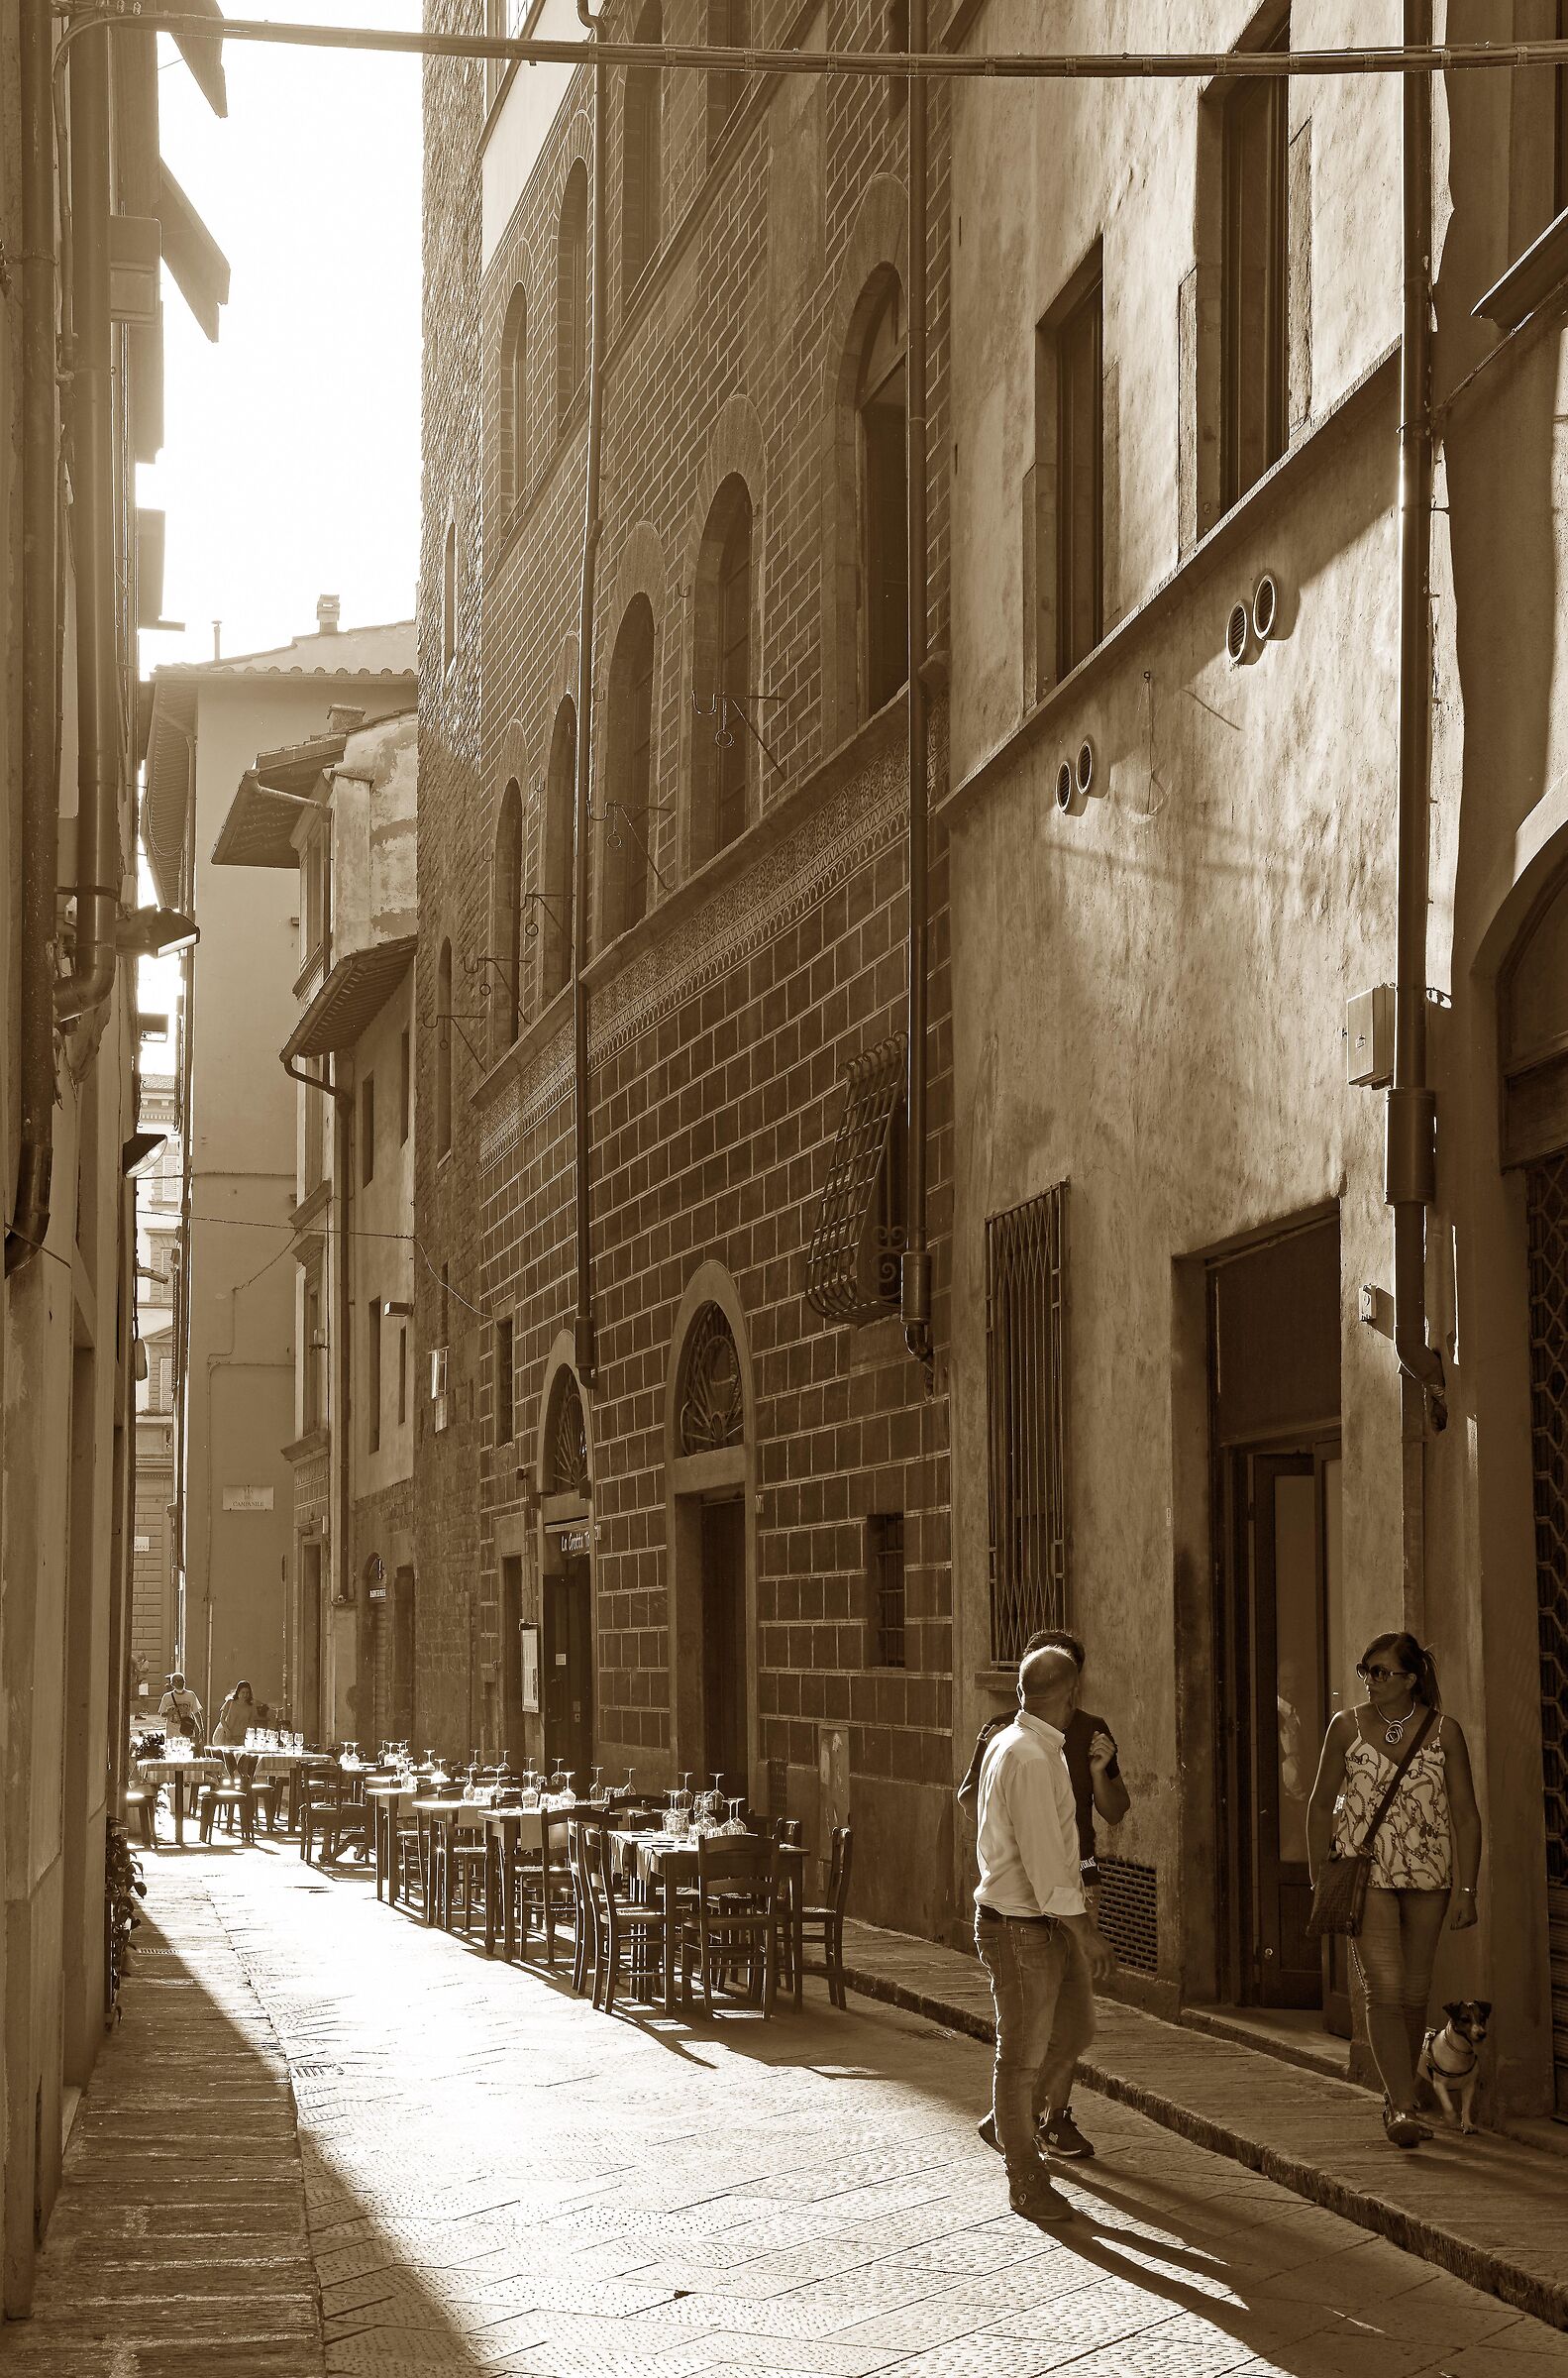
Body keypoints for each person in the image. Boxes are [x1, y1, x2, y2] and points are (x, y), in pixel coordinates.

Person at [1307, 1631, 1482, 2149]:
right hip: (1366, 1874)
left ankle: (1399, 2094)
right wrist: (1321, 1873)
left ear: (1411, 1679)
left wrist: (1468, 1888)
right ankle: (1401, 2104)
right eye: (1367, 1670)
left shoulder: (1444, 1732)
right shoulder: (1345, 1727)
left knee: (1414, 1991)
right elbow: (1319, 1804)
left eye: (1382, 1672)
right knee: (1384, 1987)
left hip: (1430, 1875)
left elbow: (1467, 1816)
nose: (1370, 1681)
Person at [958, 1626, 1129, 2156]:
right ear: (1070, 1689)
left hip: (1060, 1904)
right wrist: (1085, 1929)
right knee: (1024, 2048)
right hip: (1031, 1915)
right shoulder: (1022, 1748)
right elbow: (1038, 1853)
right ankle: (1027, 2172)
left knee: (1073, 2029)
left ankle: (1024, 2116)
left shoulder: (1062, 1740)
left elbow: (1110, 1812)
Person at [157, 1671, 204, 1745]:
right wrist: (171, 1713)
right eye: (177, 1681)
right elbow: (162, 1714)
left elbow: (196, 1713)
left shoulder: (191, 1695)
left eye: (182, 1681)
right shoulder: (167, 1697)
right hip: (172, 1732)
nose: (180, 1683)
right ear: (172, 1684)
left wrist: (201, 1729)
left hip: (186, 1730)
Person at [213, 1678, 258, 1747]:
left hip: (242, 1738)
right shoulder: (230, 1703)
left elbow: (251, 1723)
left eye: (247, 1693)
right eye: (243, 1692)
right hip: (229, 1736)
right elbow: (222, 1718)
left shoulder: (250, 1706)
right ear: (238, 1692)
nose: (245, 1695)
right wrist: (227, 1731)